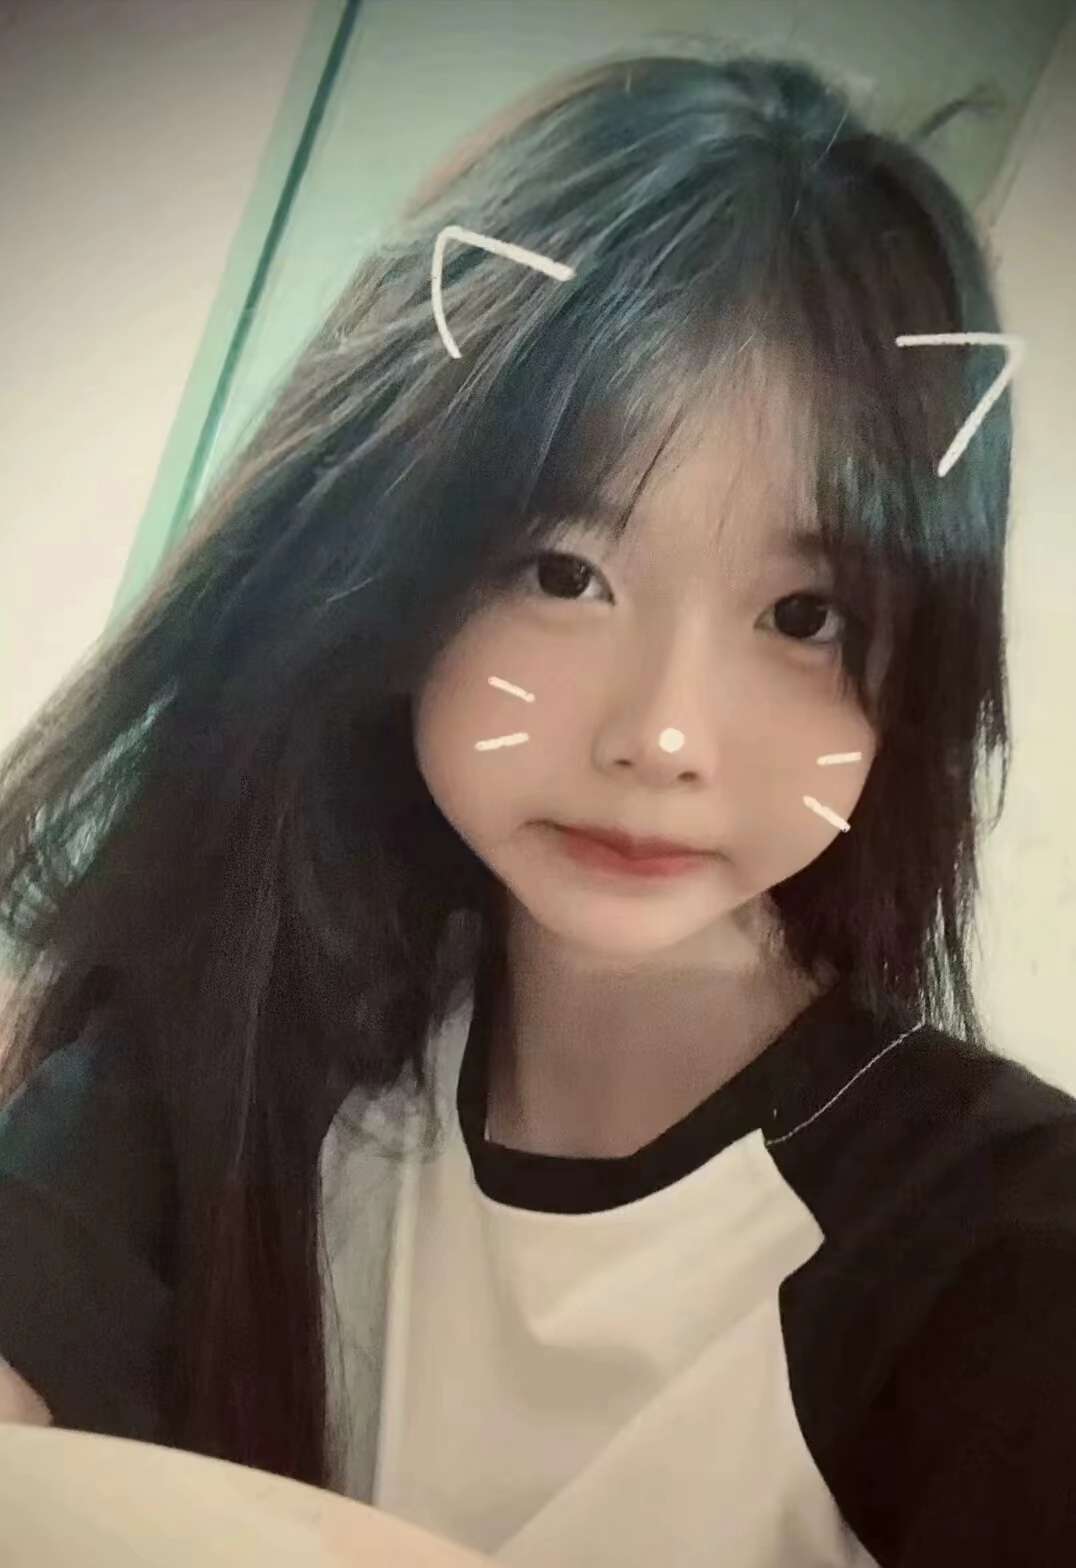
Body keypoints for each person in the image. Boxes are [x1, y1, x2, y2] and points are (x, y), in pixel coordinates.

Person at [1, 45, 1074, 1567]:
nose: (663, 736)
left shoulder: (989, 1249)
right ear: (388, 572)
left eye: (804, 615)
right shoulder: (234, 1057)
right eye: (565, 573)